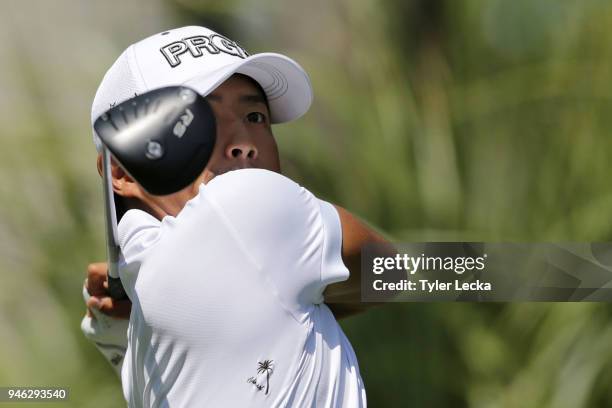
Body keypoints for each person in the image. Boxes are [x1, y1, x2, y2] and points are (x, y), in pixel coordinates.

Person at [81, 25, 389, 407]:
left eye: (255, 116)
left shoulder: (136, 341)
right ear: (123, 173)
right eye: (195, 122)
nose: (243, 144)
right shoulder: (248, 202)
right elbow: (402, 272)